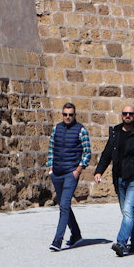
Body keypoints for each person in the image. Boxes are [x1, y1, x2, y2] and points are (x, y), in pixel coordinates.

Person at [93, 104, 134, 257]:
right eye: (125, 113)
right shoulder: (115, 133)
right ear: (121, 115)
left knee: (127, 210)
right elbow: (107, 153)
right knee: (127, 212)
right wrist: (99, 171)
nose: (127, 116)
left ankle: (121, 243)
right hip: (119, 178)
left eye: (130, 113)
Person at [45, 102, 90, 251]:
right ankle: (76, 234)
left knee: (64, 205)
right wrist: (50, 167)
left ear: (75, 115)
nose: (68, 117)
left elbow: (87, 153)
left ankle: (57, 240)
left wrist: (78, 170)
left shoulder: (81, 130)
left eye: (70, 114)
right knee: (64, 205)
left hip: (71, 173)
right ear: (62, 114)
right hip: (56, 173)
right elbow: (51, 148)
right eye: (65, 114)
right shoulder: (56, 129)